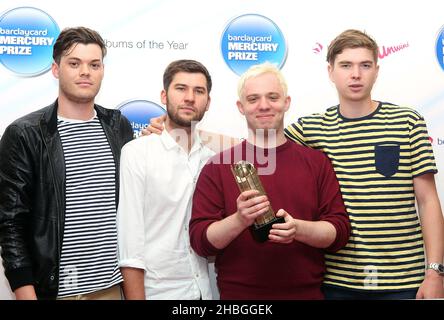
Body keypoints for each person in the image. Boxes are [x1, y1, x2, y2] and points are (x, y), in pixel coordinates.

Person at [284, 29, 444, 299]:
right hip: (338, 282)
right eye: (346, 65)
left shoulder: (407, 121)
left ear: (376, 70)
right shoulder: (313, 127)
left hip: (405, 282)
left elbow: (428, 201)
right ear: (330, 71)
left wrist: (435, 272)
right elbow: (261, 144)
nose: (355, 74)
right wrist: (192, 132)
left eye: (365, 65)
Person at [189, 62, 351, 299]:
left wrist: (298, 229)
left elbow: (339, 232)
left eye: (272, 97)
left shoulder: (316, 162)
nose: (263, 106)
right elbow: (201, 241)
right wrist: (240, 219)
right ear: (241, 107)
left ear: (286, 102)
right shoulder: (217, 167)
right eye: (253, 99)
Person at [0, 27, 133, 300]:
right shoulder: (25, 133)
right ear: (56, 69)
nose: (85, 71)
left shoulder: (118, 126)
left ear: (102, 70)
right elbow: (10, 223)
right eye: (74, 63)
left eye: (94, 64)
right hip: (54, 292)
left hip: (110, 289)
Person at [117, 59, 214, 300]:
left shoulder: (212, 160)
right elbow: (130, 244)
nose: (189, 97)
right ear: (164, 95)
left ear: (208, 102)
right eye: (181, 88)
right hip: (157, 293)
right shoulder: (137, 152)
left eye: (198, 91)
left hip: (204, 291)